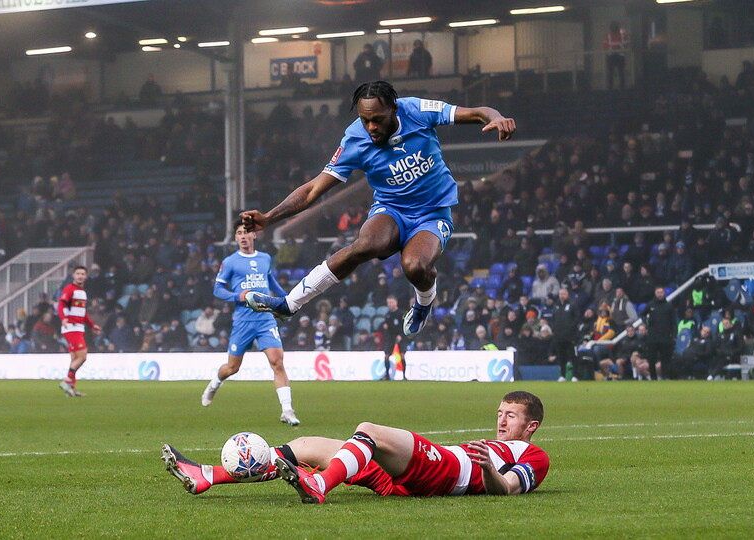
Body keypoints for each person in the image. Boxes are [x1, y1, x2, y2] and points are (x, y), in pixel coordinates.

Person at [240, 81, 515, 339]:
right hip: (391, 209)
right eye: (365, 119)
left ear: (394, 109)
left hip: (433, 212)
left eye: (377, 119)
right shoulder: (355, 141)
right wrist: (269, 218)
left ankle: (423, 304)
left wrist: (496, 117)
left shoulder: (417, 110)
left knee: (415, 266)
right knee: (365, 245)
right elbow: (313, 189)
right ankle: (289, 304)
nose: (371, 126)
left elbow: (479, 112)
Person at [161, 391, 549, 503]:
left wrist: (485, 469)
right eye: (500, 412)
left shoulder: (534, 456)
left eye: (510, 416)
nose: (501, 420)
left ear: (531, 425)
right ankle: (209, 475)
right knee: (308, 445)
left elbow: (510, 490)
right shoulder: (490, 443)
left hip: (448, 470)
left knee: (369, 430)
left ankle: (319, 485)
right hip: (407, 480)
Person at [200, 220, 299, 426]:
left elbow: (271, 282)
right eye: (239, 233)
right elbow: (217, 290)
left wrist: (288, 300)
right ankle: (215, 384)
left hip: (265, 318)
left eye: (246, 232)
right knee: (232, 368)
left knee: (277, 362)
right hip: (243, 321)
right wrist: (238, 296)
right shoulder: (230, 262)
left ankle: (287, 410)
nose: (243, 236)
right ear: (235, 238)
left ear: (255, 235)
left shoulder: (265, 258)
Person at [56, 267, 102, 397]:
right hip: (71, 327)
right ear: (73, 275)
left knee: (75, 358)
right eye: (78, 274)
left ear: (86, 276)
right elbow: (61, 305)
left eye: (83, 274)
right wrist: (64, 318)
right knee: (82, 356)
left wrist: (92, 325)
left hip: (78, 327)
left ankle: (70, 390)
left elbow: (83, 312)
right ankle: (66, 381)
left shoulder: (82, 292)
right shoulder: (69, 289)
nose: (80, 276)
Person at [603, 21, 629, 90]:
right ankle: (611, 88)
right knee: (611, 73)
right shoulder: (608, 36)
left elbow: (626, 45)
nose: (614, 29)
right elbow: (605, 46)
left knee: (620, 73)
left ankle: (622, 88)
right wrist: (615, 48)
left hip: (619, 57)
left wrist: (617, 48)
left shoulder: (623, 36)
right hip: (611, 56)